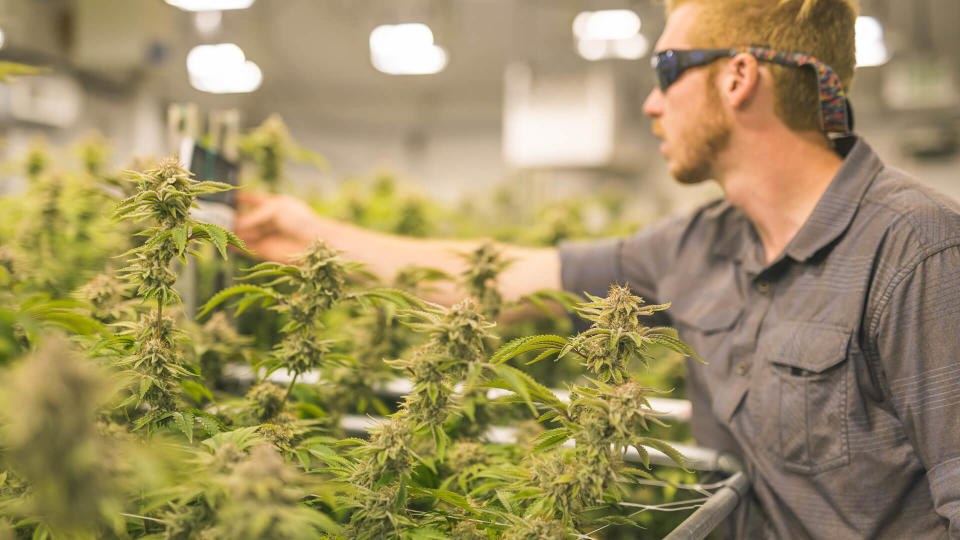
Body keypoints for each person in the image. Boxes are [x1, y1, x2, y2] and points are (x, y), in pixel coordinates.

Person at [236, 0, 960, 536]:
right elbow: (493, 282)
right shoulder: (696, 246)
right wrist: (308, 235)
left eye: (667, 71)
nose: (650, 103)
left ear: (739, 77)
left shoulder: (916, 250)